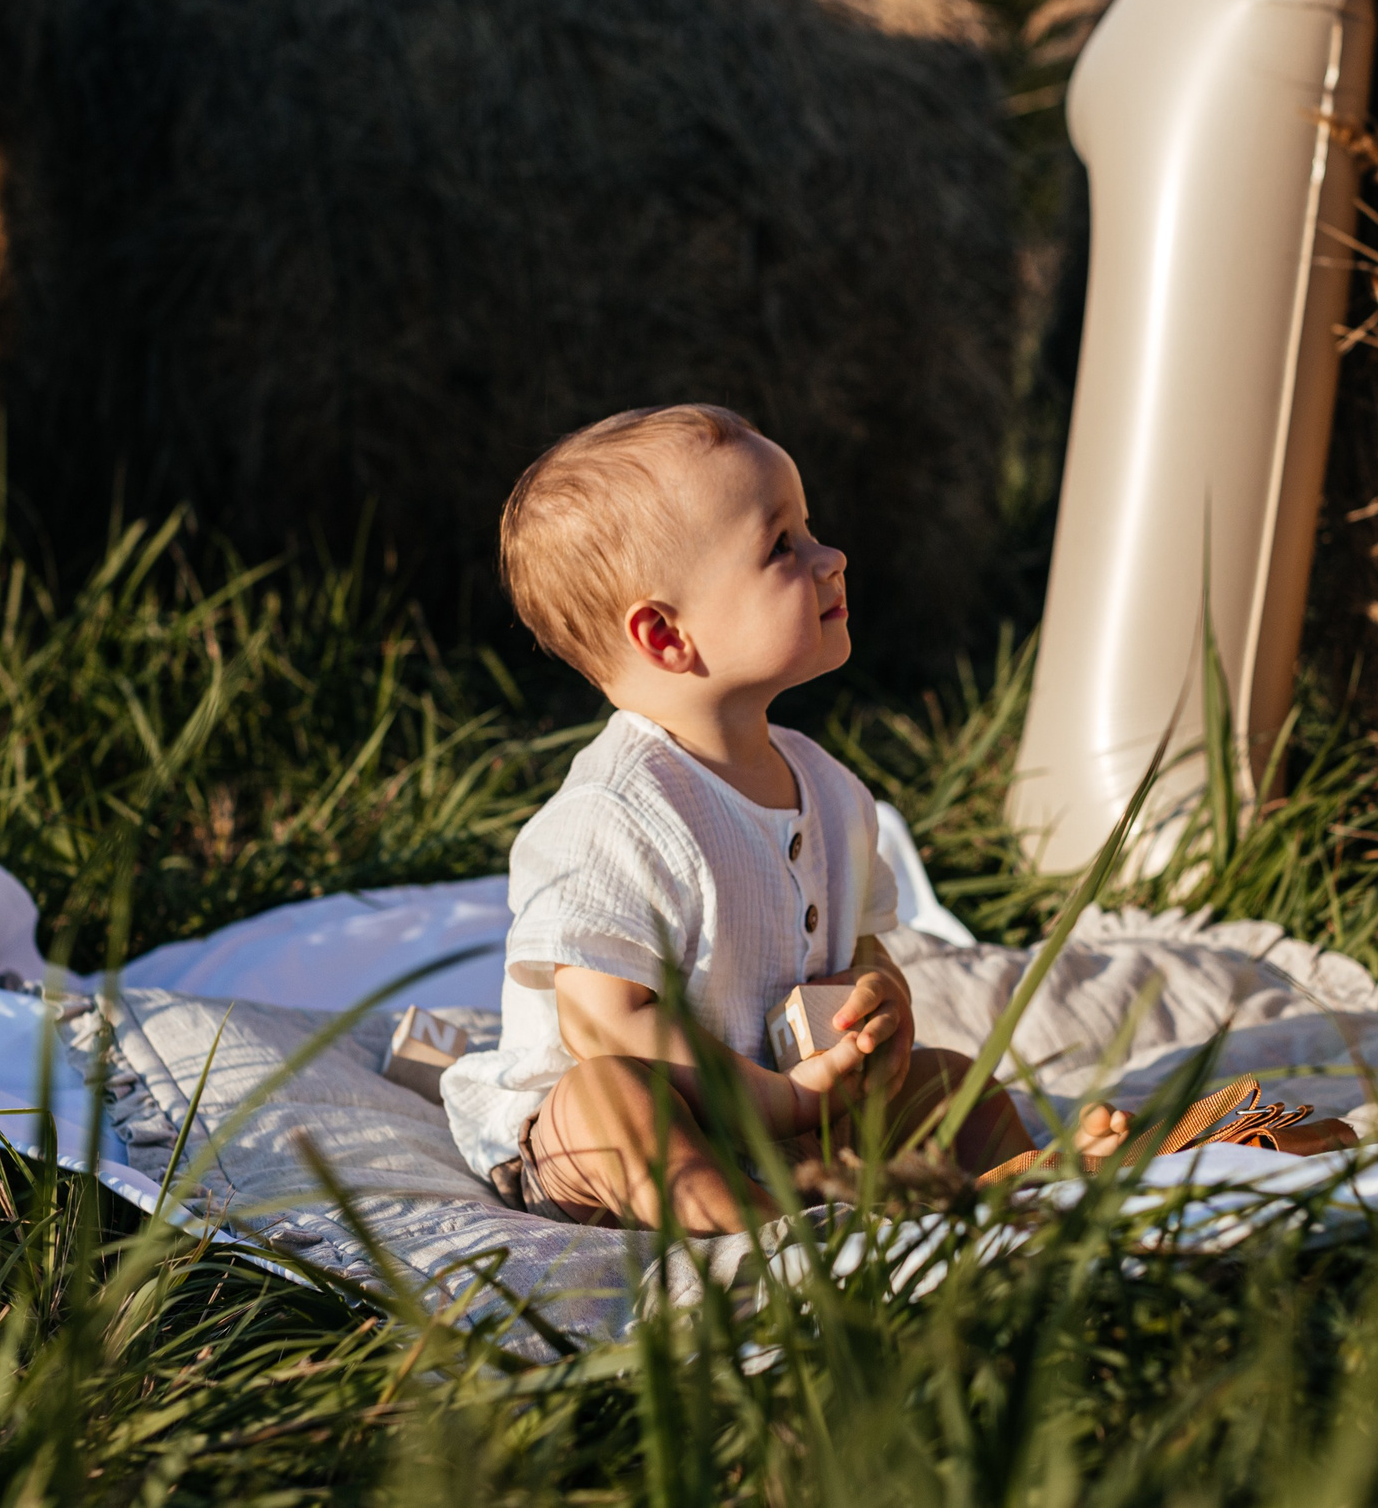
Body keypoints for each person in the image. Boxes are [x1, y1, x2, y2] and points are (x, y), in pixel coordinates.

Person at [439, 404, 1131, 1231]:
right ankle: (760, 1231)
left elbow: (859, 953)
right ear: (665, 633)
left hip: (801, 1117)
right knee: (605, 1098)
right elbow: (601, 1021)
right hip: (650, 1134)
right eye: (783, 546)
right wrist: (769, 1098)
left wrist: (880, 1006)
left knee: (952, 1082)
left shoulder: (831, 792)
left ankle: (1026, 1184)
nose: (831, 555)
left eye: (812, 530)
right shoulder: (614, 814)